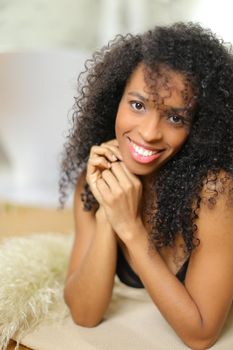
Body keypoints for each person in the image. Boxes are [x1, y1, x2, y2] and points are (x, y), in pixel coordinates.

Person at [59, 22, 233, 349]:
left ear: (198, 126)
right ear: (116, 100)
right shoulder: (95, 178)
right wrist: (108, 212)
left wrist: (130, 227)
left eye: (175, 118)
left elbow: (201, 334)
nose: (151, 132)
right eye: (138, 105)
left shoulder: (214, 193)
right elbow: (84, 314)